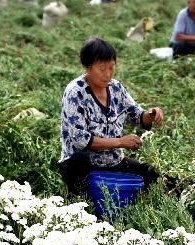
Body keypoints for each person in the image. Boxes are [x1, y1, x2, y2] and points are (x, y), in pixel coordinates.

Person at [58, 37, 166, 199]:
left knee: (153, 176)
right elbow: (81, 141)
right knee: (79, 160)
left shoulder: (116, 88)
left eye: (111, 68)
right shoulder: (75, 93)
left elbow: (137, 116)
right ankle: (79, 201)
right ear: (87, 67)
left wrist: (152, 114)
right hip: (83, 165)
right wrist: (121, 142)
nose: (108, 74)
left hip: (112, 162)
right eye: (102, 69)